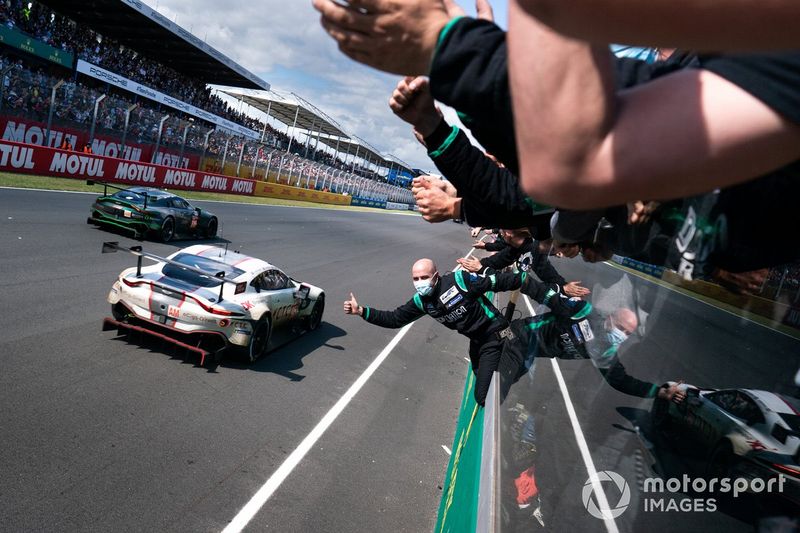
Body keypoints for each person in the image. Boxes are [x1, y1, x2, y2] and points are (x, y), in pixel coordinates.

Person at [342, 258, 589, 405]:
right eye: (415, 278)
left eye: (424, 277)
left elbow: (513, 280)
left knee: (484, 396)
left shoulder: (461, 281)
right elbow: (394, 319)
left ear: (436, 276)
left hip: (498, 336)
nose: (420, 282)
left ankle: (521, 371)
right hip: (477, 343)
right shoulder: (421, 303)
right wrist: (362, 310)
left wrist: (549, 296)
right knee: (480, 380)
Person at [456, 228, 591, 299]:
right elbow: (500, 258)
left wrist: (563, 286)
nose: (499, 233)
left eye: (501, 230)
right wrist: (480, 263)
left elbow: (544, 270)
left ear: (508, 233)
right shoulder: (517, 247)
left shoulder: (536, 247)